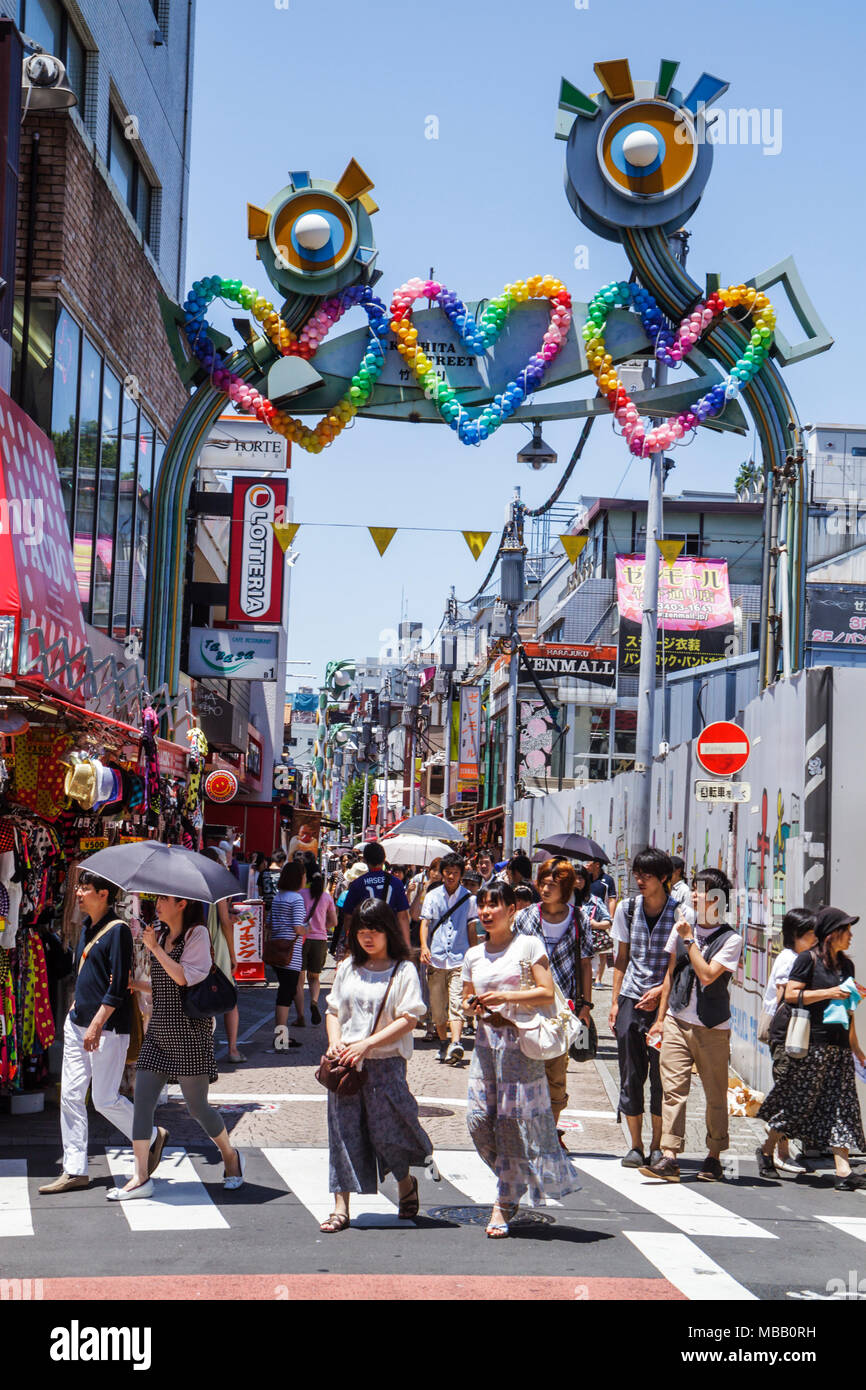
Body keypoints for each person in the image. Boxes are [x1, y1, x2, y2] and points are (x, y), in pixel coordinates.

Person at [462, 882, 581, 1237]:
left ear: (512, 910)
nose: (485, 912)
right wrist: (473, 1007)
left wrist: (506, 999)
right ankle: (514, 1177)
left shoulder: (527, 944)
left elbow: (546, 990)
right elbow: (467, 1000)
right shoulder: (473, 955)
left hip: (520, 1046)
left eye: (493, 905)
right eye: (482, 905)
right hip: (485, 1046)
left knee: (512, 1124)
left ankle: (503, 1200)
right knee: (479, 1121)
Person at [109, 894, 243, 1199]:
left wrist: (154, 947)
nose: (157, 903)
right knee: (142, 1103)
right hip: (159, 1030)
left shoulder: (197, 934)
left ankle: (230, 1156)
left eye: (164, 899)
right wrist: (136, 984)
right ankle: (140, 1176)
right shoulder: (163, 935)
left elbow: (185, 978)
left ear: (182, 904)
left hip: (189, 1033)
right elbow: (165, 985)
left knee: (198, 1108)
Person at [39, 872, 163, 1194]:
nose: (78, 894)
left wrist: (96, 1023)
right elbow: (86, 976)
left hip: (107, 1028)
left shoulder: (118, 931)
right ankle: (74, 1169)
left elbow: (118, 984)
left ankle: (150, 1135)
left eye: (85, 889)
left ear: (104, 894)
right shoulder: (86, 928)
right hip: (78, 1023)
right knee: (70, 1095)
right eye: (78, 887)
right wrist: (75, 1008)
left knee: (105, 1098)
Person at [320, 898, 431, 1233]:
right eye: (362, 930)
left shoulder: (404, 969)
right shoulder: (349, 967)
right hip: (346, 1067)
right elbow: (333, 1011)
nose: (368, 937)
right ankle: (340, 1207)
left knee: (390, 1132)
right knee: (342, 1133)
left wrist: (368, 1044)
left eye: (375, 930)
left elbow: (410, 1017)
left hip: (386, 1064)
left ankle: (404, 1181)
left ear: (388, 932)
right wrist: (334, 1042)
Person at [643, 868, 743, 1182]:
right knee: (673, 1091)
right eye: (695, 890)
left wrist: (690, 940)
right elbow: (670, 974)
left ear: (718, 900)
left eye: (703, 891)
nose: (695, 896)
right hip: (676, 1019)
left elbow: (708, 974)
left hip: (713, 1027)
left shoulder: (731, 939)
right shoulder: (682, 928)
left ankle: (713, 1155)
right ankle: (670, 1155)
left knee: (715, 1094)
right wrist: (660, 1020)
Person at [757, 906, 866, 1192]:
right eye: (846, 930)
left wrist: (856, 1049)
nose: (851, 936)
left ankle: (843, 1171)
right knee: (796, 1105)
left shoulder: (846, 966)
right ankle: (767, 1150)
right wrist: (830, 992)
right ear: (831, 934)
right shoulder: (808, 960)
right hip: (811, 1045)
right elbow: (792, 995)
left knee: (842, 1106)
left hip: (839, 1047)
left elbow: (848, 1011)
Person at [609, 847, 693, 1169]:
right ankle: (635, 1145)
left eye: (646, 875)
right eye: (637, 874)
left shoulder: (679, 913)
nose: (639, 880)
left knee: (660, 1075)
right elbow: (621, 958)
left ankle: (657, 1146)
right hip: (631, 996)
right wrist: (616, 1002)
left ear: (664, 878)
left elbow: (677, 963)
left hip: (666, 1002)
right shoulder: (628, 909)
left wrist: (660, 997)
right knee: (630, 1073)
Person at [514, 857, 592, 1140]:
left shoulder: (578, 919)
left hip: (563, 1008)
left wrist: (585, 1006)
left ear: (566, 888)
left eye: (553, 885)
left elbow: (585, 963)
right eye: (543, 883)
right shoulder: (524, 918)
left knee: (556, 1074)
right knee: (525, 1070)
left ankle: (550, 1133)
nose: (545, 889)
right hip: (528, 1005)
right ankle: (526, 1132)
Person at [756, 908, 818, 1177]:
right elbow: (786, 999)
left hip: (790, 1031)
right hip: (785, 1030)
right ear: (797, 936)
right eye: (812, 935)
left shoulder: (798, 957)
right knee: (786, 1090)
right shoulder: (789, 959)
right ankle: (780, 1153)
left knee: (787, 1090)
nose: (817, 939)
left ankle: (780, 1150)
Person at [420, 853, 479, 1065]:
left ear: (461, 874)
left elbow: (472, 928)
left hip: (459, 959)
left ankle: (456, 1042)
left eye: (455, 873)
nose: (451, 876)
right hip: (436, 958)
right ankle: (444, 1041)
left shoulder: (470, 899)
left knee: (456, 1002)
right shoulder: (433, 897)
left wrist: (475, 955)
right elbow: (425, 923)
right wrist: (425, 946)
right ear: (442, 874)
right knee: (437, 1008)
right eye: (448, 873)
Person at [199, 847, 244, 1064]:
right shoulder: (220, 884)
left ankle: (201, 1049)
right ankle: (233, 1049)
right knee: (228, 995)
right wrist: (233, 954)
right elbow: (225, 923)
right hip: (217, 944)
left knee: (198, 995)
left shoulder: (192, 884)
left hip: (196, 943)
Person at [341, 842, 412, 946]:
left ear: (365, 860)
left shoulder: (357, 883)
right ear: (384, 859)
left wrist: (351, 941)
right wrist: (407, 944)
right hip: (390, 938)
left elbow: (348, 917)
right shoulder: (396, 883)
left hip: (365, 940)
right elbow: (403, 917)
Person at [269, 861, 308, 1051]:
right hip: (290, 953)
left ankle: (281, 1037)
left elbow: (269, 923)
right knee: (285, 994)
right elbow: (297, 928)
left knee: (284, 992)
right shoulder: (296, 899)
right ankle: (280, 1039)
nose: (305, 879)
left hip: (277, 949)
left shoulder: (279, 897)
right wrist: (308, 928)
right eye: (303, 875)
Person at [296, 866, 336, 1027]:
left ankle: (300, 1016)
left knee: (299, 980)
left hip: (301, 940)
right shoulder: (326, 897)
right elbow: (334, 922)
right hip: (320, 940)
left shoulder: (300, 894)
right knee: (314, 977)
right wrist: (322, 927)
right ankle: (314, 1001)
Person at [577, 863, 613, 988]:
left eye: (581, 878)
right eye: (574, 878)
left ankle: (598, 979)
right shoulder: (564, 901)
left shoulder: (595, 901)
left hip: (590, 943)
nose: (577, 881)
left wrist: (595, 924)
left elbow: (608, 922)